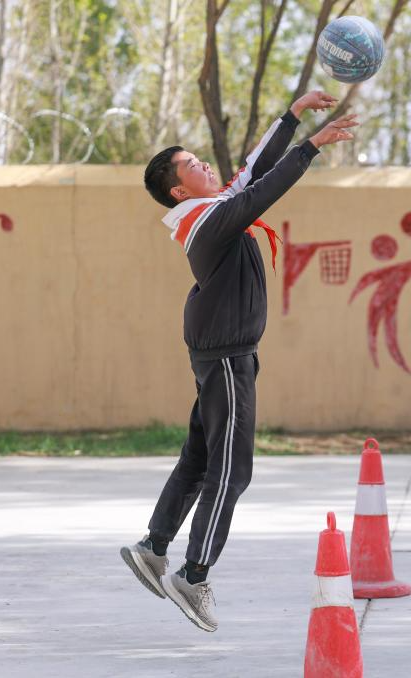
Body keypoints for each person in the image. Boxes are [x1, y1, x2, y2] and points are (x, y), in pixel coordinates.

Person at [120, 90, 358, 632]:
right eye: (192, 164)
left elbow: (254, 169)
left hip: (220, 354)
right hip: (227, 358)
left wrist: (292, 115)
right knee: (230, 469)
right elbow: (263, 190)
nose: (205, 164)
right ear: (179, 189)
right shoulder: (208, 220)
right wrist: (313, 145)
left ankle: (154, 548)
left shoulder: (209, 209)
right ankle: (193, 575)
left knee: (202, 457)